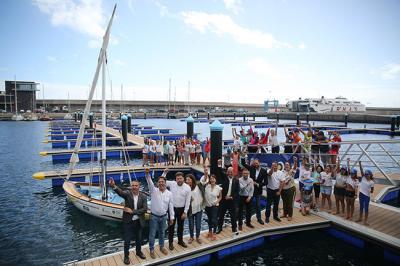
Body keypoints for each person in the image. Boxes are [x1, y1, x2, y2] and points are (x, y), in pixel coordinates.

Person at [109, 178, 147, 264]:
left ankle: (138, 252)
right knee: (127, 240)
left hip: (139, 221)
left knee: (139, 239)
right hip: (128, 221)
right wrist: (114, 186)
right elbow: (120, 192)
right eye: (132, 185)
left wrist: (133, 211)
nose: (134, 187)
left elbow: (144, 209)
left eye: (136, 185)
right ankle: (126, 256)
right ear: (131, 186)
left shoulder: (143, 196)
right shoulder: (127, 194)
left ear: (139, 186)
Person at [144, 168, 174, 259]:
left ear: (165, 183)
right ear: (157, 183)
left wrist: (171, 217)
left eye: (163, 182)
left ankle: (161, 247)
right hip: (154, 217)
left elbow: (171, 206)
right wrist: (147, 174)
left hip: (164, 217)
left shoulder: (169, 193)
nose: (161, 183)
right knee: (152, 234)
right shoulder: (153, 191)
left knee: (162, 233)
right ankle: (152, 249)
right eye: (159, 182)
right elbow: (149, 181)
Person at [164, 170, 191, 250]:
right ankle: (170, 243)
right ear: (175, 179)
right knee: (171, 227)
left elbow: (188, 201)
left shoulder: (187, 188)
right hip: (172, 209)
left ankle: (180, 241)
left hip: (181, 209)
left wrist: (185, 212)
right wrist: (165, 173)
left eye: (180, 178)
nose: (179, 180)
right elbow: (162, 181)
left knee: (180, 227)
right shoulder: (172, 184)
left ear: (183, 178)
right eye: (177, 178)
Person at [241, 157, 268, 225]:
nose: (255, 164)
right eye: (254, 163)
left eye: (257, 163)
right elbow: (243, 163)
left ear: (259, 163)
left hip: (258, 191)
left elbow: (266, 182)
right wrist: (243, 156)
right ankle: (248, 220)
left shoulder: (264, 171)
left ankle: (259, 219)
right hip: (251, 191)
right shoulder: (251, 168)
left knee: (258, 206)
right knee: (249, 206)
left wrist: (258, 184)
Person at [216, 160, 239, 234]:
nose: (230, 173)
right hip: (224, 200)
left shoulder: (236, 180)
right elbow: (219, 172)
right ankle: (219, 228)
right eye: (229, 171)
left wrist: (232, 197)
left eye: (231, 171)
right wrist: (219, 165)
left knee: (233, 216)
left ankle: (234, 229)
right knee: (221, 215)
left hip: (232, 201)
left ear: (233, 172)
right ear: (227, 172)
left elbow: (237, 191)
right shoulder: (224, 178)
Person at [200, 168, 222, 241]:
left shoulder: (218, 188)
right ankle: (210, 232)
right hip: (207, 206)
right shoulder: (207, 186)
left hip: (214, 206)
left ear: (215, 180)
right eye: (211, 178)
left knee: (214, 219)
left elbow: (220, 197)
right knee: (209, 219)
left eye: (213, 178)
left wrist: (217, 201)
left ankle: (214, 233)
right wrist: (206, 174)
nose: (212, 180)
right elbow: (203, 182)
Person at [185, 173, 204, 244]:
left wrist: (205, 173)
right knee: (191, 224)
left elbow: (204, 181)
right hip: (190, 210)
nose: (187, 181)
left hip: (198, 208)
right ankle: (191, 237)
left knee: (198, 224)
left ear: (192, 180)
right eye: (186, 179)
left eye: (188, 179)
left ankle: (198, 237)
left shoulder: (198, 185)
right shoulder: (185, 188)